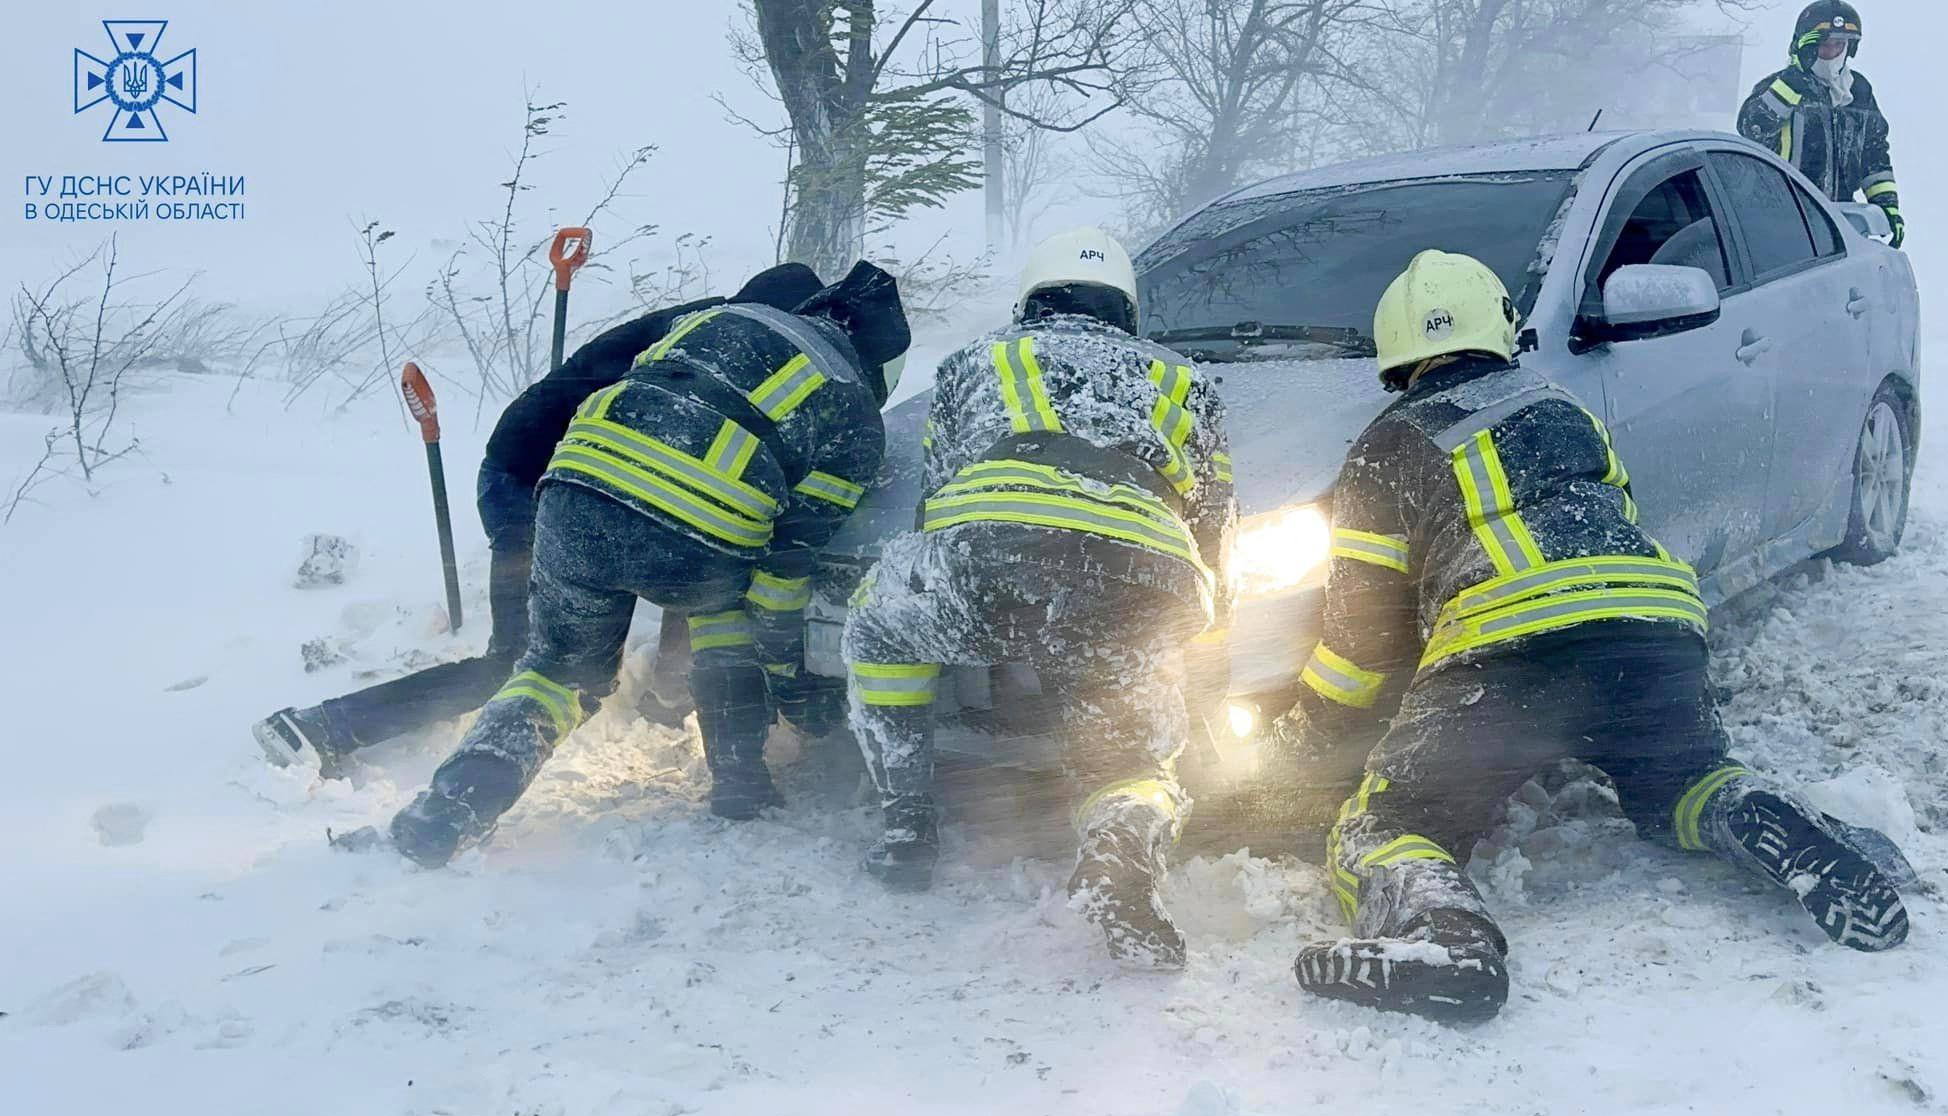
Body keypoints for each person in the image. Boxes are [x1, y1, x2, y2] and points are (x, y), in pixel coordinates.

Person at [1271, 250, 1910, 1022]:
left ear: (1396, 354)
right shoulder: (1563, 408)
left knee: (1389, 822)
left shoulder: (1388, 446)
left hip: (1508, 652)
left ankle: (1446, 941)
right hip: (1656, 629)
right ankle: (1754, 812)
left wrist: (1300, 737)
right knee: (1680, 780)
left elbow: (1362, 648)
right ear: (1498, 327)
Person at [387, 261, 911, 867]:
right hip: (694, 539)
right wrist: (788, 676)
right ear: (880, 367)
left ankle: (454, 805)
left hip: (571, 498)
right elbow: (784, 570)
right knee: (726, 616)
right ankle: (740, 782)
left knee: (557, 672)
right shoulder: (853, 411)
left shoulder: (716, 320)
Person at [252, 264, 827, 778]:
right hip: (532, 486)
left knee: (699, 546)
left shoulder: (709, 332)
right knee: (521, 661)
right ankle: (322, 727)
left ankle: (665, 699)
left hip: (581, 483)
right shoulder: (717, 346)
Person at [840, 228, 1236, 969]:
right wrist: (1195, 644)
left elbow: (936, 500)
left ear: (1029, 302)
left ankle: (907, 823)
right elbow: (1214, 528)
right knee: (1132, 755)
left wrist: (972, 600)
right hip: (1138, 574)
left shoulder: (977, 360)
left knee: (879, 628)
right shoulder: (1185, 379)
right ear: (1127, 309)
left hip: (993, 554)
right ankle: (1120, 848)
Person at [1738, 1, 1903, 247]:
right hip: (1781, 219)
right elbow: (1751, 129)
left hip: (1839, 223)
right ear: (1808, 47)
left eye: (1839, 45)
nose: (1832, 52)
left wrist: (1887, 206)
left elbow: (1874, 155)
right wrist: (1789, 88)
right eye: (1825, 45)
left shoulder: (1858, 91)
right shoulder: (1780, 87)